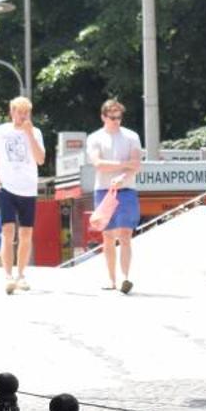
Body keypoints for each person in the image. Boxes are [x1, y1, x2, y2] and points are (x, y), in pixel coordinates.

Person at [0, 97, 45, 293]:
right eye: (19, 112)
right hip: (6, 188)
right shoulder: (0, 131)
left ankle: (21, 275)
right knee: (8, 231)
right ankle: (7, 275)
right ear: (11, 112)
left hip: (28, 188)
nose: (23, 116)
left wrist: (30, 135)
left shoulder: (35, 132)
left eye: (26, 112)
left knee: (26, 233)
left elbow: (40, 159)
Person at [88, 99, 144, 293]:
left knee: (126, 235)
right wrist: (123, 164)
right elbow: (98, 164)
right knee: (108, 236)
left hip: (127, 189)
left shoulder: (131, 136)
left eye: (119, 117)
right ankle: (111, 280)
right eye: (112, 117)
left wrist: (124, 175)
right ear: (103, 117)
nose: (116, 121)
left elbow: (136, 164)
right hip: (103, 189)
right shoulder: (95, 138)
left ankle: (125, 278)